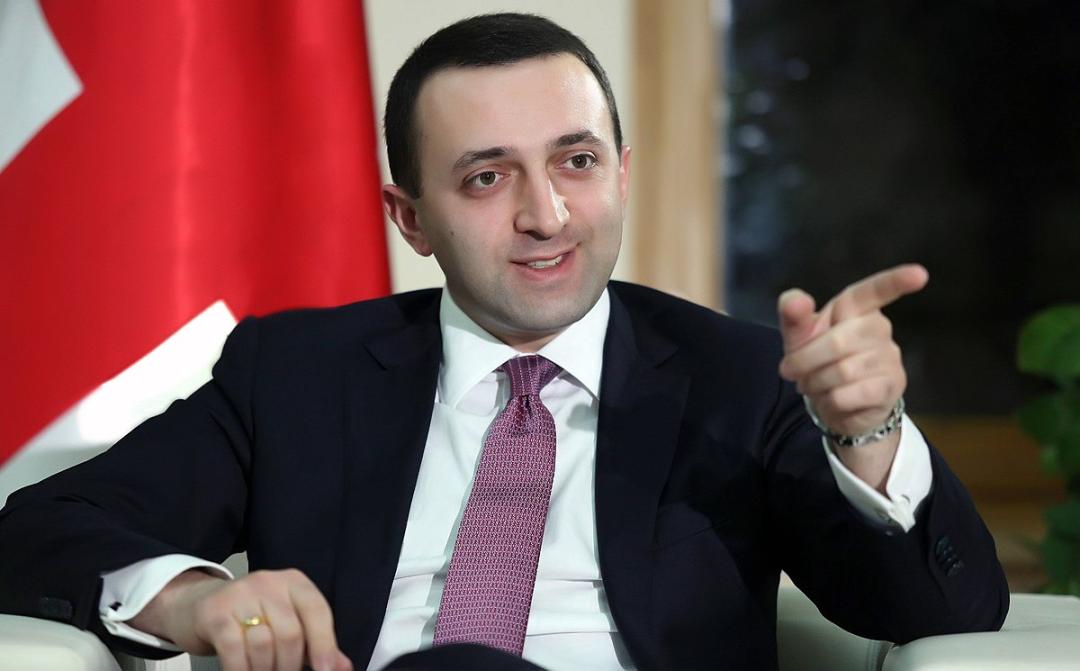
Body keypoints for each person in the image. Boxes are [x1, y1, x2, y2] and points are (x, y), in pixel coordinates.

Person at [0, 12, 1007, 671]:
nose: (545, 214)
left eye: (576, 161)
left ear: (620, 172)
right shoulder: (298, 373)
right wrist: (192, 598)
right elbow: (40, 526)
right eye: (487, 177)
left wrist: (871, 431)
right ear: (411, 217)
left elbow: (946, 615)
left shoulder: (738, 376)